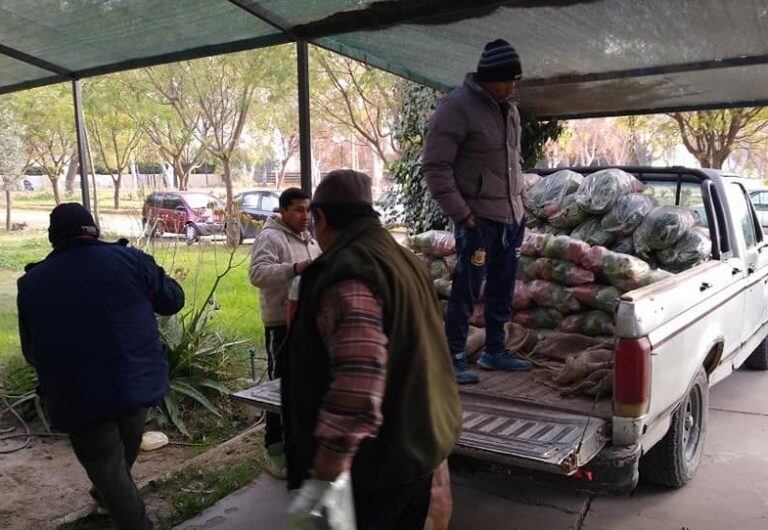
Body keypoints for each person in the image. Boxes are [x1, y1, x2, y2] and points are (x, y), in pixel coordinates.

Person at [282, 170, 462, 530]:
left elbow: (358, 381)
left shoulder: (348, 271)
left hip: (375, 470)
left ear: (321, 218)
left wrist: (327, 470)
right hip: (416, 451)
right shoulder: (405, 259)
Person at [17, 203, 184, 530]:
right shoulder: (131, 260)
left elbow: (31, 351)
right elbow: (173, 300)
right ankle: (110, 497)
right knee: (119, 452)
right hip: (136, 382)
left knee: (106, 461)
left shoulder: (32, 283)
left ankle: (125, 512)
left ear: (53, 238)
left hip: (79, 394)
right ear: (93, 229)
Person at [422, 38, 533, 385]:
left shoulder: (509, 110)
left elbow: (512, 162)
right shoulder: (456, 107)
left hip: (510, 217)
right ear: (487, 77)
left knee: (502, 288)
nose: (511, 87)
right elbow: (435, 166)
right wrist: (464, 216)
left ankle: (494, 351)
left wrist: (520, 206)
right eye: (506, 80)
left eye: (515, 80)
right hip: (477, 219)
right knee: (467, 289)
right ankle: (454, 355)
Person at [248, 188, 321, 478]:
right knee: (278, 388)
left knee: (303, 386)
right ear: (283, 211)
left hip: (308, 323)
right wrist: (295, 268)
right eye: (298, 210)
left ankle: (301, 444)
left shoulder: (309, 237)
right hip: (280, 325)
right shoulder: (270, 237)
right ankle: (274, 449)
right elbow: (258, 274)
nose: (305, 216)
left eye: (308, 210)